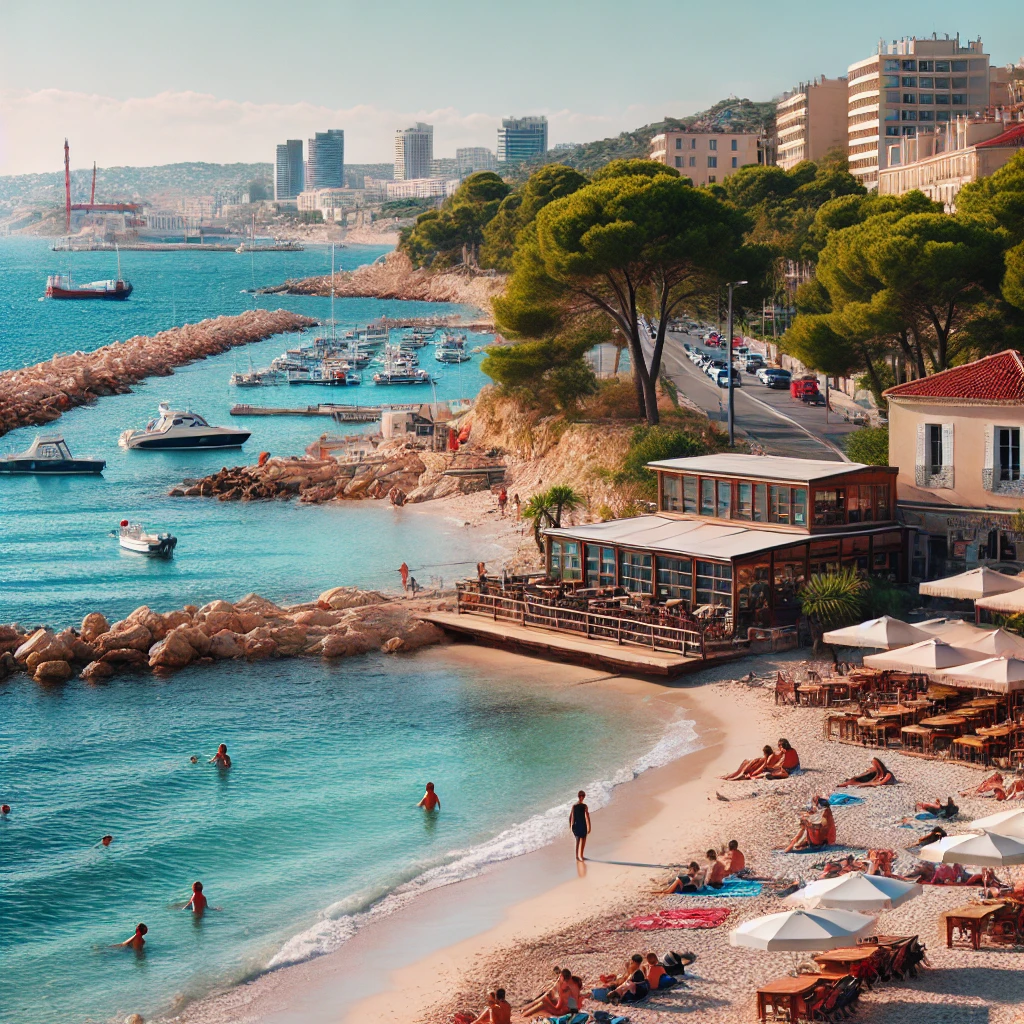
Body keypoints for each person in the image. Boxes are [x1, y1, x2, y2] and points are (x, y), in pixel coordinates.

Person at [570, 791, 591, 861]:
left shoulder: (585, 806)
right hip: (576, 825)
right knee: (578, 840)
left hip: (583, 824)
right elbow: (571, 816)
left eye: (582, 796)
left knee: (584, 840)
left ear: (584, 796)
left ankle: (581, 855)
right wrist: (571, 826)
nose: (581, 797)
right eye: (580, 796)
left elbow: (587, 816)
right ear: (578, 796)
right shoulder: (574, 806)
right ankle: (577, 856)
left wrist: (589, 826)